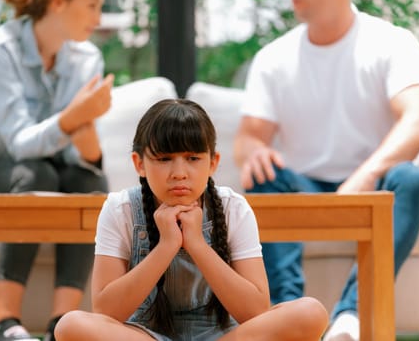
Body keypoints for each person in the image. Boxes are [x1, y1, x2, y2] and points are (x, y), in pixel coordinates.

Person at [233, 0, 419, 340]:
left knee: (414, 180)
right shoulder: (273, 58)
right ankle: (289, 315)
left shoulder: (393, 42)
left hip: (375, 183)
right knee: (263, 176)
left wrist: (367, 175)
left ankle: (350, 317)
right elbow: (248, 138)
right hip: (303, 188)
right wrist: (253, 151)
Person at [53, 99, 329, 341]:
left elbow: (254, 310)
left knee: (310, 313)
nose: (179, 173)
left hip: (224, 335)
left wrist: (196, 243)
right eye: (164, 159)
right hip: (145, 334)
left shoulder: (234, 208)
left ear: (213, 162)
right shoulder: (120, 209)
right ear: (139, 164)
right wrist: (167, 246)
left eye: (193, 158)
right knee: (70, 326)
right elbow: (106, 312)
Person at [0, 0, 113, 340]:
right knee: (37, 173)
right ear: (57, 1)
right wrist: (70, 120)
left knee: (88, 181)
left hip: (49, 170)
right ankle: (3, 322)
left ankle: (62, 325)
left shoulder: (87, 58)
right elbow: (19, 142)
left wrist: (90, 154)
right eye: (92, 5)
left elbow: (72, 153)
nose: (98, 19)